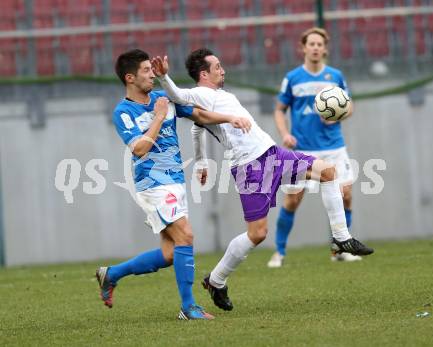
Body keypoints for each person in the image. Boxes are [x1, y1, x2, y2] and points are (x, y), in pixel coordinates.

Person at [151, 48, 374, 312]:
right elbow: (178, 97)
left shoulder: (219, 96)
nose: (223, 70)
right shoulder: (200, 93)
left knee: (328, 172)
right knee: (257, 233)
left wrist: (200, 161)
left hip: (271, 153)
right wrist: (164, 78)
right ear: (204, 74)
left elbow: (198, 126)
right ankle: (216, 280)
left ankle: (340, 237)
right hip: (250, 167)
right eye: (218, 67)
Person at [95, 49, 250, 320]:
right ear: (129, 78)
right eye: (145, 71)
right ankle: (188, 307)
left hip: (176, 180)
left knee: (170, 253)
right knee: (186, 236)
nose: (152, 74)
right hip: (152, 184)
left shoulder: (162, 98)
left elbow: (199, 116)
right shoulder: (123, 112)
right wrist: (157, 117)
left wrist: (229, 118)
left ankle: (112, 274)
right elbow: (139, 149)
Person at [267, 27, 360, 268]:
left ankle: (340, 249)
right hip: (302, 150)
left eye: (320, 44)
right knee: (292, 200)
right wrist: (285, 133)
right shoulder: (293, 78)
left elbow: (349, 107)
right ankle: (279, 252)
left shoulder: (335, 76)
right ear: (303, 48)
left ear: (325, 48)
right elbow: (279, 109)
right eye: (312, 44)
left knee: (345, 196)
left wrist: (336, 117)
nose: (316, 48)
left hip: (333, 147)